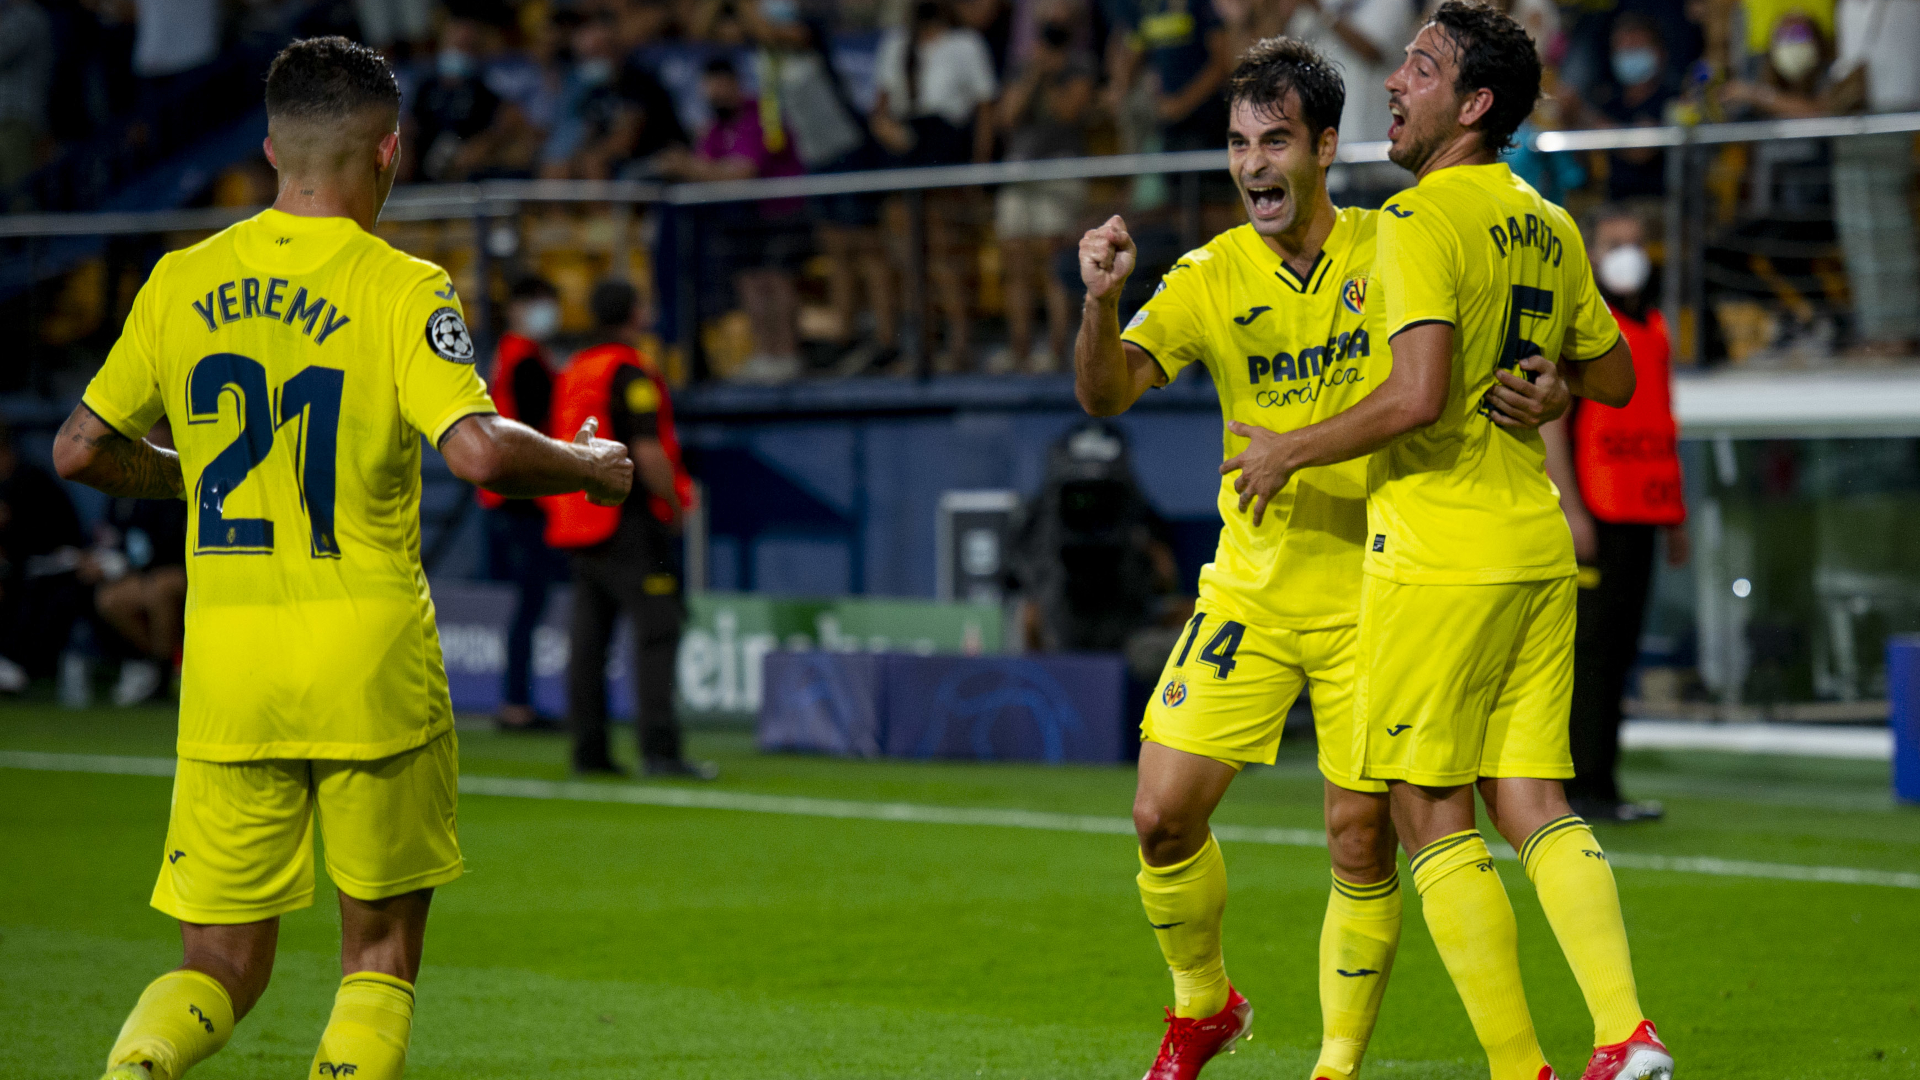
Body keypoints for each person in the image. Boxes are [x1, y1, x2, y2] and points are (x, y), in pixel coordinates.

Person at [56, 36, 633, 1080]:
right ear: (392, 153)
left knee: (220, 965)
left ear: (272, 150)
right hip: (368, 660)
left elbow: (80, 449)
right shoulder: (403, 286)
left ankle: (137, 1065)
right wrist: (588, 466)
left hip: (228, 668)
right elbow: (479, 452)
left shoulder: (182, 281)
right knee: (375, 960)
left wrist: (207, 479)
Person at [1073, 36, 1569, 1080]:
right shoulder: (1210, 275)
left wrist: (1552, 389)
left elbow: (1480, 356)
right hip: (1250, 588)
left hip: (1379, 591)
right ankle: (1202, 1006)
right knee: (1160, 814)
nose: (1253, 165)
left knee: (1360, 839)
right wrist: (1100, 300)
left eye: (1275, 142)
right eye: (1238, 143)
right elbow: (1109, 390)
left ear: (1326, 146)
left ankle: (1335, 1063)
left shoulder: (1396, 248)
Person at [1221, 6, 1671, 1077]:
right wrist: (1558, 380)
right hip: (1532, 548)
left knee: (1429, 815)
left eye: (1420, 68)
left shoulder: (1420, 223)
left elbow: (1418, 396)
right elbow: (1617, 375)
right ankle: (1625, 1034)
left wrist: (1292, 448)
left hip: (1440, 554)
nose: (1394, 82)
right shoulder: (1546, 223)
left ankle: (1524, 1069)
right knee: (1534, 802)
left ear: (1473, 106)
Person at [1541, 206, 1688, 824]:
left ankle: (1602, 781)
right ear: (1592, 254)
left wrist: (1675, 517)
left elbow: (1661, 420)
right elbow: (1554, 423)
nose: (1626, 254)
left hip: (1644, 509)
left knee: (1619, 651)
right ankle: (1580, 788)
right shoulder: (1583, 325)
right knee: (1591, 655)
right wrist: (1571, 510)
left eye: (1635, 243)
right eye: (1613, 243)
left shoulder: (1652, 325)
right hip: (1597, 515)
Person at [545, 278, 711, 780]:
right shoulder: (628, 371)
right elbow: (647, 450)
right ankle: (660, 751)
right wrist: (674, 504)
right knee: (658, 628)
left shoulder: (575, 370)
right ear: (636, 314)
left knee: (589, 639)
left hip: (579, 518)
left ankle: (588, 751)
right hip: (628, 519)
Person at [658, 55, 807, 383]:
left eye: (720, 88)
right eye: (708, 90)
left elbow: (741, 173)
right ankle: (766, 355)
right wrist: (695, 167)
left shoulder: (760, 116)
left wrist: (687, 167)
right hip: (740, 218)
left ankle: (788, 354)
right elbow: (704, 165)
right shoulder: (715, 127)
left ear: (735, 85)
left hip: (778, 213)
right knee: (749, 284)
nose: (714, 96)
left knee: (776, 283)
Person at [482, 276, 567, 732]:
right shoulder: (523, 361)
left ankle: (518, 699)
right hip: (520, 494)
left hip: (514, 492)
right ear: (517, 308)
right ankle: (516, 702)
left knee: (532, 599)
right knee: (531, 598)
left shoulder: (521, 356)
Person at [992, 7, 1096, 373]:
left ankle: (1055, 350)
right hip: (1019, 170)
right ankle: (1018, 348)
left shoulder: (1080, 66)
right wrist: (1035, 73)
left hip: (1061, 171)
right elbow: (1007, 118)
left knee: (1055, 263)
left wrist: (1051, 77)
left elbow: (1068, 111)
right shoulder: (1024, 67)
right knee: (1015, 262)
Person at [0, 418, 88, 690]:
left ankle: (18, 665)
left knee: (33, 590)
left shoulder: (29, 479)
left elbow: (47, 539)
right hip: (27, 566)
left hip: (61, 566)